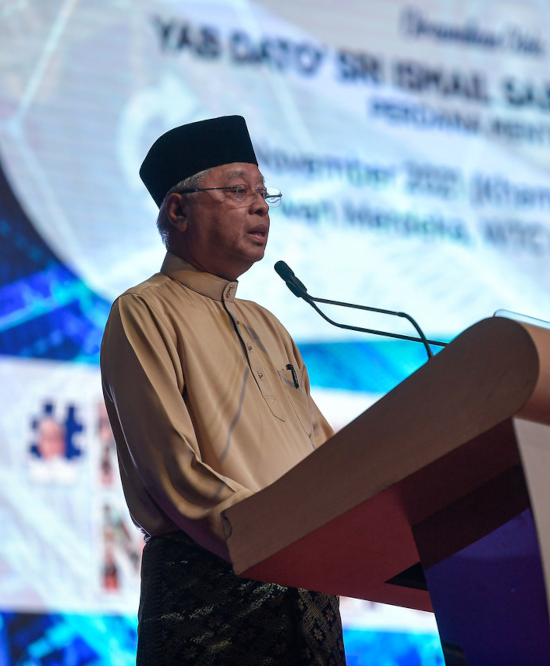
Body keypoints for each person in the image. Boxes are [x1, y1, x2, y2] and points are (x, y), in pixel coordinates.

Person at [99, 115, 344, 665]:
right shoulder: (144, 310)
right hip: (209, 591)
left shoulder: (268, 324)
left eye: (263, 194)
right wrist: (277, 538)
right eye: (238, 191)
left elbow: (325, 458)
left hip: (308, 589)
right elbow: (174, 470)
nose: (260, 208)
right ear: (178, 211)